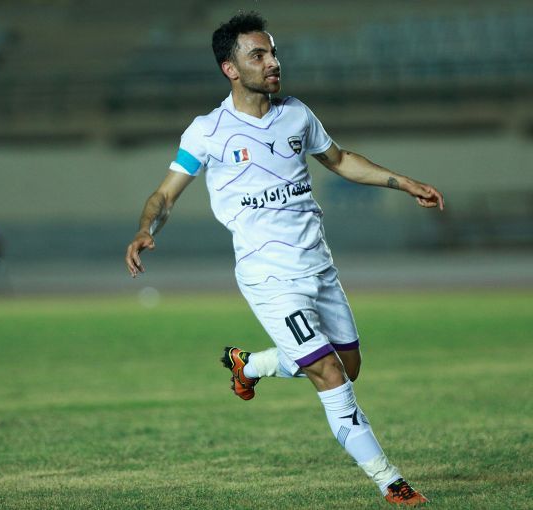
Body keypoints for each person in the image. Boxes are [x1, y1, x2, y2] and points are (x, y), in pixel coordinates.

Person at [125, 12, 443, 506]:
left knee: (349, 366)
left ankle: (249, 365)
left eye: (273, 52)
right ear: (231, 69)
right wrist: (147, 228)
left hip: (319, 267)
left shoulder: (296, 114)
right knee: (329, 374)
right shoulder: (207, 131)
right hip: (269, 276)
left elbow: (340, 159)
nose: (273, 62)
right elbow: (165, 194)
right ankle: (390, 481)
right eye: (258, 55)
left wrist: (404, 183)